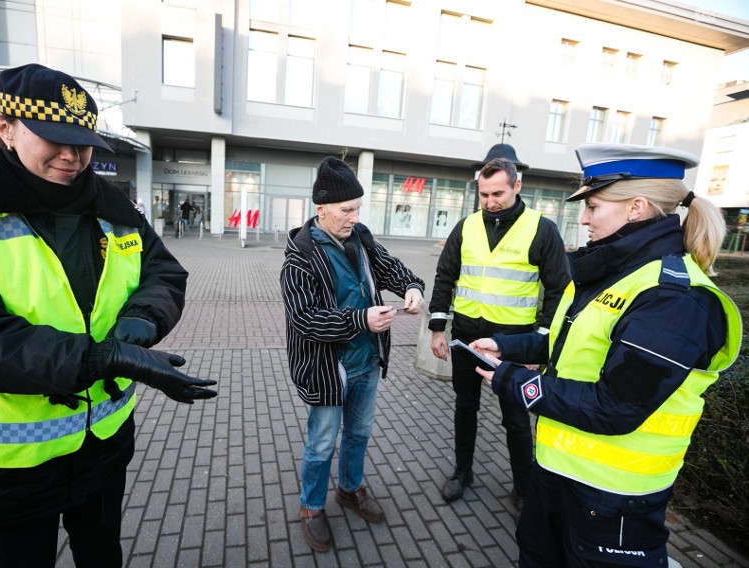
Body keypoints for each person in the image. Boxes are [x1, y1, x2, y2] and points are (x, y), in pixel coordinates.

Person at [0, 63, 218, 567]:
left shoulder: (114, 207)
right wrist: (101, 358)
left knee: (102, 557)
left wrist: (141, 321)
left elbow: (164, 273)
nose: (72, 156)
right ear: (5, 128)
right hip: (10, 464)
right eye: (52, 138)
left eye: (83, 141)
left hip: (104, 442)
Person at [471, 143, 742, 566]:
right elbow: (573, 341)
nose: (583, 218)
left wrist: (515, 383)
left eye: (593, 206)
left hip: (613, 500)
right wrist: (508, 346)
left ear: (635, 207)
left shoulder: (673, 299)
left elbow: (616, 406)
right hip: (558, 473)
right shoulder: (614, 272)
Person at [280, 156, 426, 552]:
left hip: (365, 362)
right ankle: (311, 507)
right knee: (322, 443)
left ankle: (349, 489)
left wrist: (411, 286)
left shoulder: (359, 236)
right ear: (321, 208)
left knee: (359, 433)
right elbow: (305, 320)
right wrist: (361, 318)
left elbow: (388, 266)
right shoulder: (300, 257)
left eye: (358, 208)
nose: (354, 216)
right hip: (328, 369)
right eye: (347, 210)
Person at [427, 157, 570, 508]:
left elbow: (559, 290)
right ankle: (463, 472)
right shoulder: (466, 226)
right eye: (484, 194)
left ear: (517, 187)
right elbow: (445, 277)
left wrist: (540, 347)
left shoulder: (542, 229)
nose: (491, 202)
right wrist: (437, 328)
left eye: (498, 194)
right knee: (465, 405)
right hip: (465, 334)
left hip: (512, 342)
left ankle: (523, 488)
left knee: (516, 416)